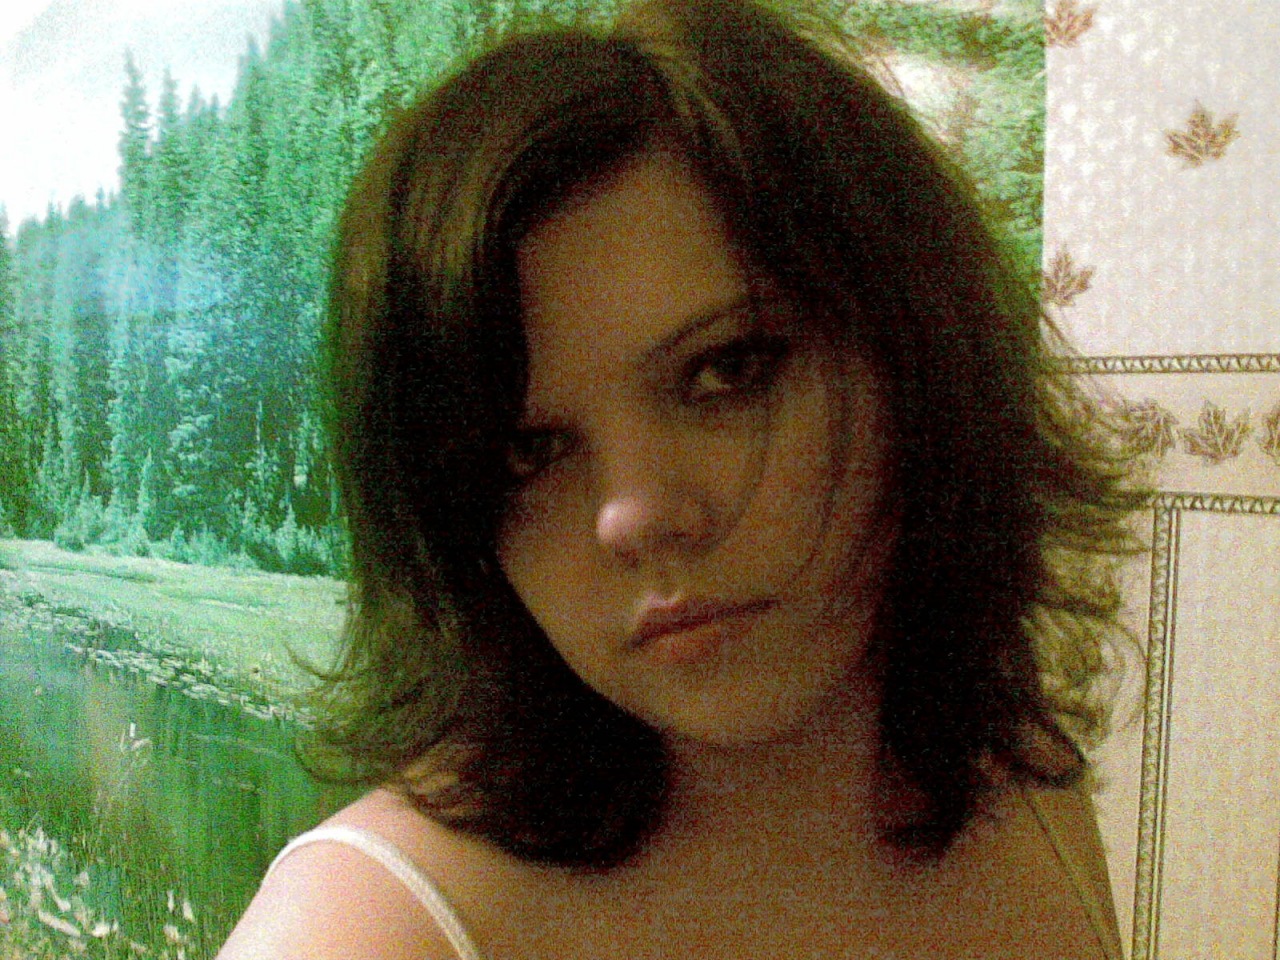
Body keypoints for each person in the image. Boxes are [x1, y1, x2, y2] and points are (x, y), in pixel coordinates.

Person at [218, 1, 1141, 956]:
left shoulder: (1024, 793)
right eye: (528, 453)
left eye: (726, 371)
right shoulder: (370, 927)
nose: (634, 515)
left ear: (918, 358)